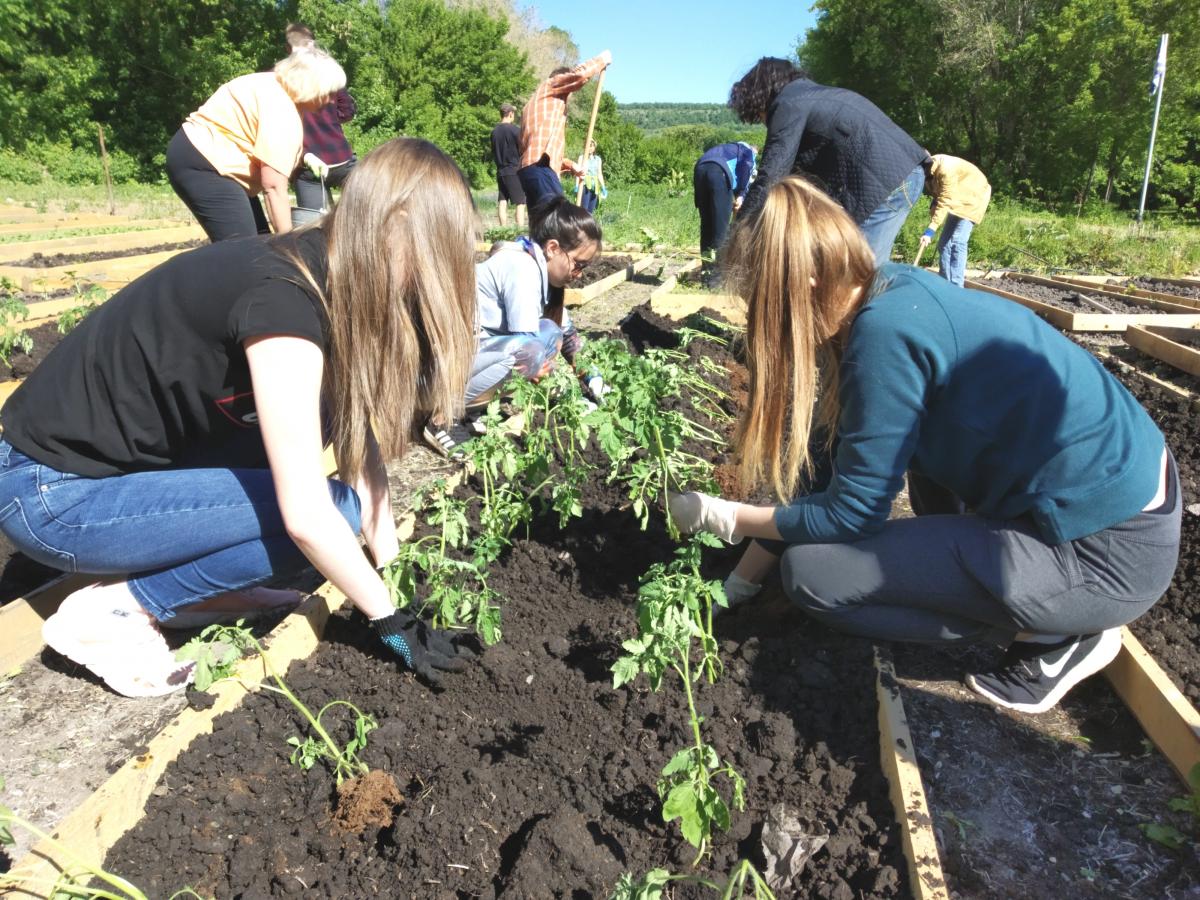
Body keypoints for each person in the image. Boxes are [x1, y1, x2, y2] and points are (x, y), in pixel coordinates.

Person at [668, 176, 1180, 715]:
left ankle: (1061, 632)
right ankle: (1012, 588)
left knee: (814, 576)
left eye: (763, 300)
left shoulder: (885, 339)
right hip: (1113, 505)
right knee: (909, 474)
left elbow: (852, 516)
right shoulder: (888, 292)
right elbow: (823, 471)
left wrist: (727, 516)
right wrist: (739, 586)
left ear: (806, 281)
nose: (761, 320)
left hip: (1107, 553)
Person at [0, 138, 478, 697]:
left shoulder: (330, 273)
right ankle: (118, 610)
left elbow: (357, 445)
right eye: (430, 259)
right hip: (53, 492)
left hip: (130, 479)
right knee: (328, 517)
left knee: (328, 495)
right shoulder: (286, 294)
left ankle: (195, 592)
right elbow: (305, 512)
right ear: (394, 225)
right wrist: (387, 619)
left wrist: (393, 573)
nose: (426, 287)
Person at [423, 196, 603, 458]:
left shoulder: (539, 269)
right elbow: (527, 352)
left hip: (463, 360)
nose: (580, 274)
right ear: (553, 248)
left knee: (550, 334)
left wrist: (594, 379)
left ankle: (472, 408)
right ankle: (441, 418)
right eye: (579, 264)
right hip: (431, 371)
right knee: (529, 352)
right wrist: (570, 399)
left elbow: (568, 335)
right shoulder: (522, 269)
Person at [730, 57, 929, 265]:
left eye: (759, 115)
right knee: (848, 267)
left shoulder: (789, 104)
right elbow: (799, 178)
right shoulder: (813, 97)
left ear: (761, 93)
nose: (763, 121)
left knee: (860, 274)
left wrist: (739, 228)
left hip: (886, 183)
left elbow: (770, 177)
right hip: (904, 172)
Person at [166, 48, 346, 242]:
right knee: (245, 249)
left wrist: (303, 156)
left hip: (205, 157)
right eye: (327, 92)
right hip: (204, 164)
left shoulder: (270, 83)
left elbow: (256, 138)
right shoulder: (281, 107)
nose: (330, 100)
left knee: (260, 240)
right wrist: (289, 244)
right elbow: (274, 187)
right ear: (309, 86)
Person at [517, 51, 612, 210]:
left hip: (528, 171)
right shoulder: (551, 85)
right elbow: (579, 76)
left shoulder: (534, 108)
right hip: (541, 170)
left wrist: (570, 165)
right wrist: (602, 60)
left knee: (542, 228)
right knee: (559, 220)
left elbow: (539, 150)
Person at [285, 23, 359, 214]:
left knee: (312, 227)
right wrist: (329, 119)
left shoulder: (279, 77)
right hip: (341, 158)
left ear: (288, 48)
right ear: (312, 45)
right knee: (367, 211)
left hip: (307, 163)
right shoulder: (328, 73)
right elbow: (348, 111)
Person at [917, 154, 992, 287]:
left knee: (958, 242)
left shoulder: (946, 169)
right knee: (943, 244)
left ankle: (957, 287)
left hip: (974, 198)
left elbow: (945, 200)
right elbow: (938, 195)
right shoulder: (928, 171)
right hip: (957, 199)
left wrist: (930, 231)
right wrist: (934, 205)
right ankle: (945, 284)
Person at [693, 141, 757, 260]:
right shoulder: (748, 150)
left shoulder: (726, 148)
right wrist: (742, 194)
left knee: (706, 224)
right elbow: (748, 169)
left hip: (699, 170)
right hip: (718, 173)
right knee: (720, 227)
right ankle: (718, 271)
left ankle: (706, 268)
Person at [491, 103, 526, 229]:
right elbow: (523, 148)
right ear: (510, 114)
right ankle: (519, 231)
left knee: (502, 200)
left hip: (500, 171)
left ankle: (503, 230)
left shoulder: (494, 132)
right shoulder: (515, 130)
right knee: (520, 203)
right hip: (514, 170)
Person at [576, 140, 606, 214]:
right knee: (583, 209)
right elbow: (578, 173)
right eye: (588, 146)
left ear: (594, 148)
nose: (590, 148)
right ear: (585, 147)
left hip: (595, 187)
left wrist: (603, 187)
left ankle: (588, 225)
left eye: (592, 146)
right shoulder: (582, 158)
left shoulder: (598, 159)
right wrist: (577, 186)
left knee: (591, 211)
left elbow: (599, 174)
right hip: (584, 185)